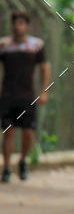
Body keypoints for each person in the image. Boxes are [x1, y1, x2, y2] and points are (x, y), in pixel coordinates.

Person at [0, 11, 50, 183]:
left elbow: (44, 68)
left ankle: (22, 160)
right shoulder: (4, 45)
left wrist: (44, 91)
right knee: (9, 131)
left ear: (26, 26)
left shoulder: (36, 45)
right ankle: (6, 167)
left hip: (27, 96)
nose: (17, 26)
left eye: (21, 23)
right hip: (7, 95)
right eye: (15, 23)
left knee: (29, 132)